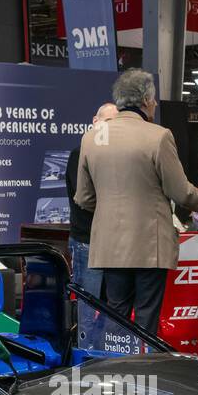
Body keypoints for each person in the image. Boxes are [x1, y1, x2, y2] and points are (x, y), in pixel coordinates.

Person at [74, 69, 198, 336]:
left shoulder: (91, 138)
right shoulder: (158, 135)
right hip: (150, 245)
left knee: (116, 312)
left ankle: (114, 369)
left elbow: (84, 198)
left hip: (110, 245)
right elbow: (180, 192)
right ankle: (142, 372)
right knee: (147, 317)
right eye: (154, 100)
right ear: (147, 101)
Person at [65, 102, 117, 310]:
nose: (112, 129)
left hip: (111, 243)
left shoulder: (115, 157)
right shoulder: (81, 153)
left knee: (110, 308)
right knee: (88, 306)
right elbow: (84, 198)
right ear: (96, 121)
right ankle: (85, 344)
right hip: (87, 241)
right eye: (109, 122)